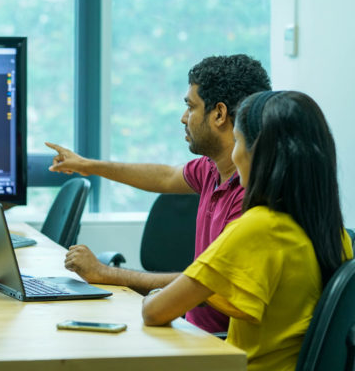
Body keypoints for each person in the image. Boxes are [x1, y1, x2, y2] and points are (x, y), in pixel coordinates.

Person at [46, 54, 271, 334]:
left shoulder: (250, 199)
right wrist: (88, 166)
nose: (184, 118)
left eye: (191, 107)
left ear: (219, 114)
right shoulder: (212, 169)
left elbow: (209, 286)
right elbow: (165, 176)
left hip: (216, 341)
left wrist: (107, 274)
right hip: (188, 327)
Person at [142, 90, 353, 370]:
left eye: (238, 141)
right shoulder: (335, 235)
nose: (234, 153)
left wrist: (156, 296)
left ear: (260, 154)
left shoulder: (258, 227)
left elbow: (154, 313)